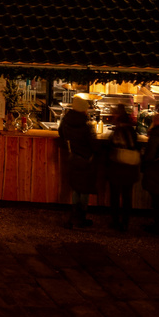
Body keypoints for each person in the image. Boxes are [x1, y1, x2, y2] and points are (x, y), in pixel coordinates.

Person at [58, 94, 99, 229]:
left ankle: (75, 216)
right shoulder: (86, 125)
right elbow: (92, 143)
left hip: (72, 157)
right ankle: (81, 218)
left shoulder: (66, 121)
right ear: (83, 110)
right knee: (84, 189)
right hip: (85, 159)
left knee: (76, 188)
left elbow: (61, 134)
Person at [106, 105, 141, 231]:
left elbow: (109, 149)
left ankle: (115, 221)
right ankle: (125, 222)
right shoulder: (132, 130)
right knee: (127, 197)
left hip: (116, 168)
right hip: (129, 169)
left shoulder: (117, 131)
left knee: (115, 196)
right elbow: (137, 146)